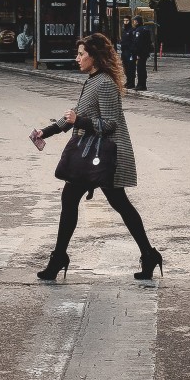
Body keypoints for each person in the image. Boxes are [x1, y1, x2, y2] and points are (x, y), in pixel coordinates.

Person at [31, 33, 162, 281]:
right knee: (98, 202)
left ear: (95, 56)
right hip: (93, 155)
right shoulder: (92, 81)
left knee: (106, 202)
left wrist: (79, 121)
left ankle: (60, 258)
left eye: (82, 54)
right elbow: (76, 115)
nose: (77, 58)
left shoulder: (105, 84)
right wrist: (45, 132)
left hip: (105, 156)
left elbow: (110, 123)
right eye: (78, 53)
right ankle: (148, 254)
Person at [131, 15, 152, 91]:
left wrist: (138, 53)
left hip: (141, 53)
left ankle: (141, 85)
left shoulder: (139, 30)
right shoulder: (145, 29)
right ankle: (141, 84)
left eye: (134, 21)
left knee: (140, 69)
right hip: (145, 53)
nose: (134, 22)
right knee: (141, 68)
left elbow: (138, 43)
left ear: (137, 21)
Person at [120, 17, 135, 89]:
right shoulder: (124, 30)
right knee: (125, 68)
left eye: (127, 21)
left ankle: (131, 82)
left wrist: (132, 51)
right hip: (124, 51)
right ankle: (128, 81)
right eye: (124, 20)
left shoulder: (132, 30)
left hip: (129, 52)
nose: (125, 22)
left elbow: (133, 42)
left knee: (130, 68)